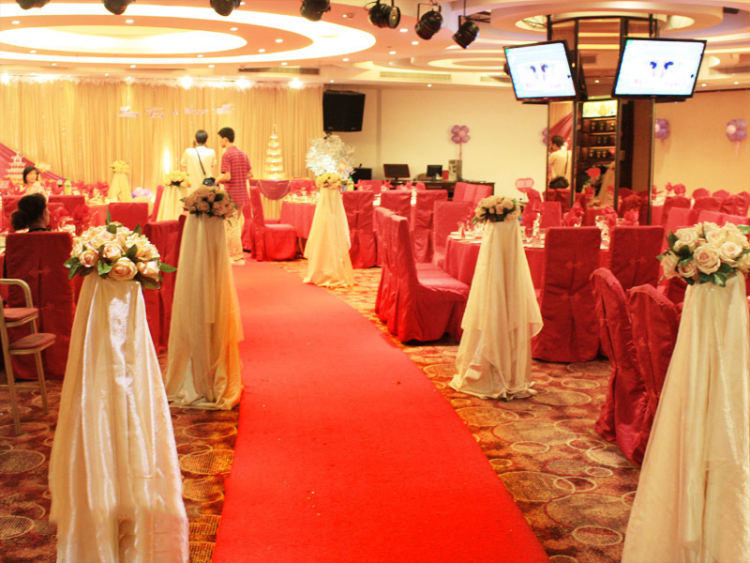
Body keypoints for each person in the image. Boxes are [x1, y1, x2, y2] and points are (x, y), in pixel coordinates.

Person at [217, 126, 252, 264]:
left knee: (231, 226)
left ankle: (236, 255)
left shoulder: (227, 155)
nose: (220, 142)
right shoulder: (243, 154)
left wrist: (216, 180)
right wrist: (240, 177)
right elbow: (250, 174)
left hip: (231, 195)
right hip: (242, 194)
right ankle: (233, 254)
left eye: (220, 139)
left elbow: (227, 176)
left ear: (225, 139)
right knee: (235, 224)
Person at [180, 129, 216, 194]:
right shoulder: (211, 152)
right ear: (206, 140)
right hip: (207, 185)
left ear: (195, 140)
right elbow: (213, 165)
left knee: (192, 199)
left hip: (193, 185)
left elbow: (183, 164)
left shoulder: (188, 151)